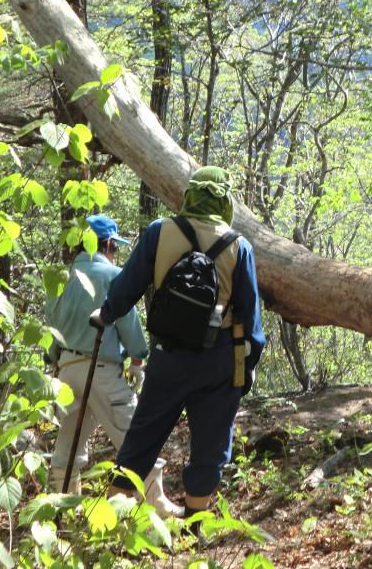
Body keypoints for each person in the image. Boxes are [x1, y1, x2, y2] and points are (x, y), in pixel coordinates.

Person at [90, 165, 266, 521]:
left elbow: (126, 287)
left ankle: (107, 528)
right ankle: (194, 529)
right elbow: (251, 320)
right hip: (219, 360)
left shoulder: (160, 232)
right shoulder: (239, 246)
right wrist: (247, 367)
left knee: (142, 438)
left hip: (167, 356)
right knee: (210, 447)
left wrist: (105, 315)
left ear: (190, 197)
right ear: (225, 201)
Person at [44, 214, 181, 517]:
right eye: (114, 247)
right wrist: (137, 357)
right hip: (102, 371)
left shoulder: (60, 279)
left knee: (67, 444)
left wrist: (53, 360)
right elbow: (127, 322)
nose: (114, 253)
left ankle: (64, 512)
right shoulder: (113, 278)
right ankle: (158, 506)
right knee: (136, 435)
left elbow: (50, 328)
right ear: (106, 243)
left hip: (66, 369)